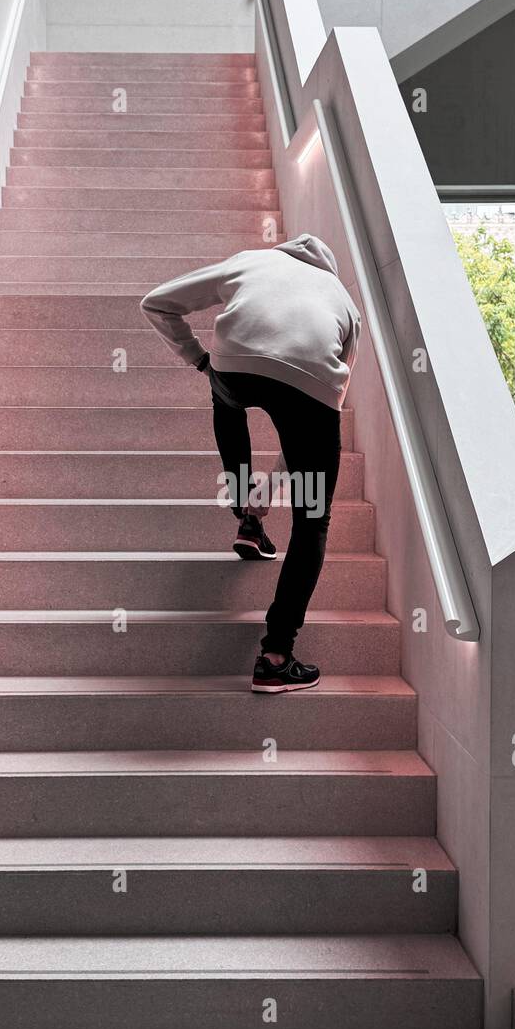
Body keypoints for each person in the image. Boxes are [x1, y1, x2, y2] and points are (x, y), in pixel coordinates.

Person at [141, 234, 361, 693]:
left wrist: (199, 359)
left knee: (224, 391)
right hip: (312, 390)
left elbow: (157, 303)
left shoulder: (251, 262)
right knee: (312, 522)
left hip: (233, 368)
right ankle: (276, 655)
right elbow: (318, 414)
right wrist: (282, 484)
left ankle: (246, 516)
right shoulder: (344, 302)